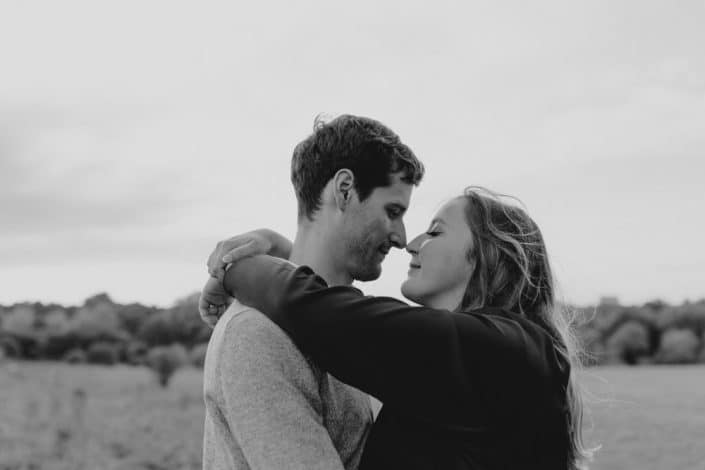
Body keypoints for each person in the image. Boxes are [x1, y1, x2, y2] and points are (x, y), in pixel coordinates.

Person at [202, 187, 593, 470]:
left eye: (436, 232)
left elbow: (319, 314)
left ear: (489, 255)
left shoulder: (496, 347)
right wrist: (287, 253)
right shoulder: (502, 348)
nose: (413, 243)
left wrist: (236, 266)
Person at [199, 114, 425, 470]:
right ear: (345, 189)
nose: (401, 237)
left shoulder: (341, 327)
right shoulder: (257, 333)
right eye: (392, 211)